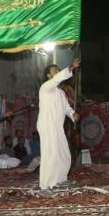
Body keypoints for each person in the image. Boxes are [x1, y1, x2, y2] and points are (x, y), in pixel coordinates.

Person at [38, 59, 80, 190]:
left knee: (63, 153)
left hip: (57, 127)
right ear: (48, 76)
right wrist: (71, 67)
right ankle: (47, 185)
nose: (57, 71)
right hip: (47, 125)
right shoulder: (45, 88)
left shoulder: (61, 93)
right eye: (55, 70)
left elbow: (66, 108)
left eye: (58, 70)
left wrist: (73, 115)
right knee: (51, 154)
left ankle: (61, 179)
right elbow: (57, 79)